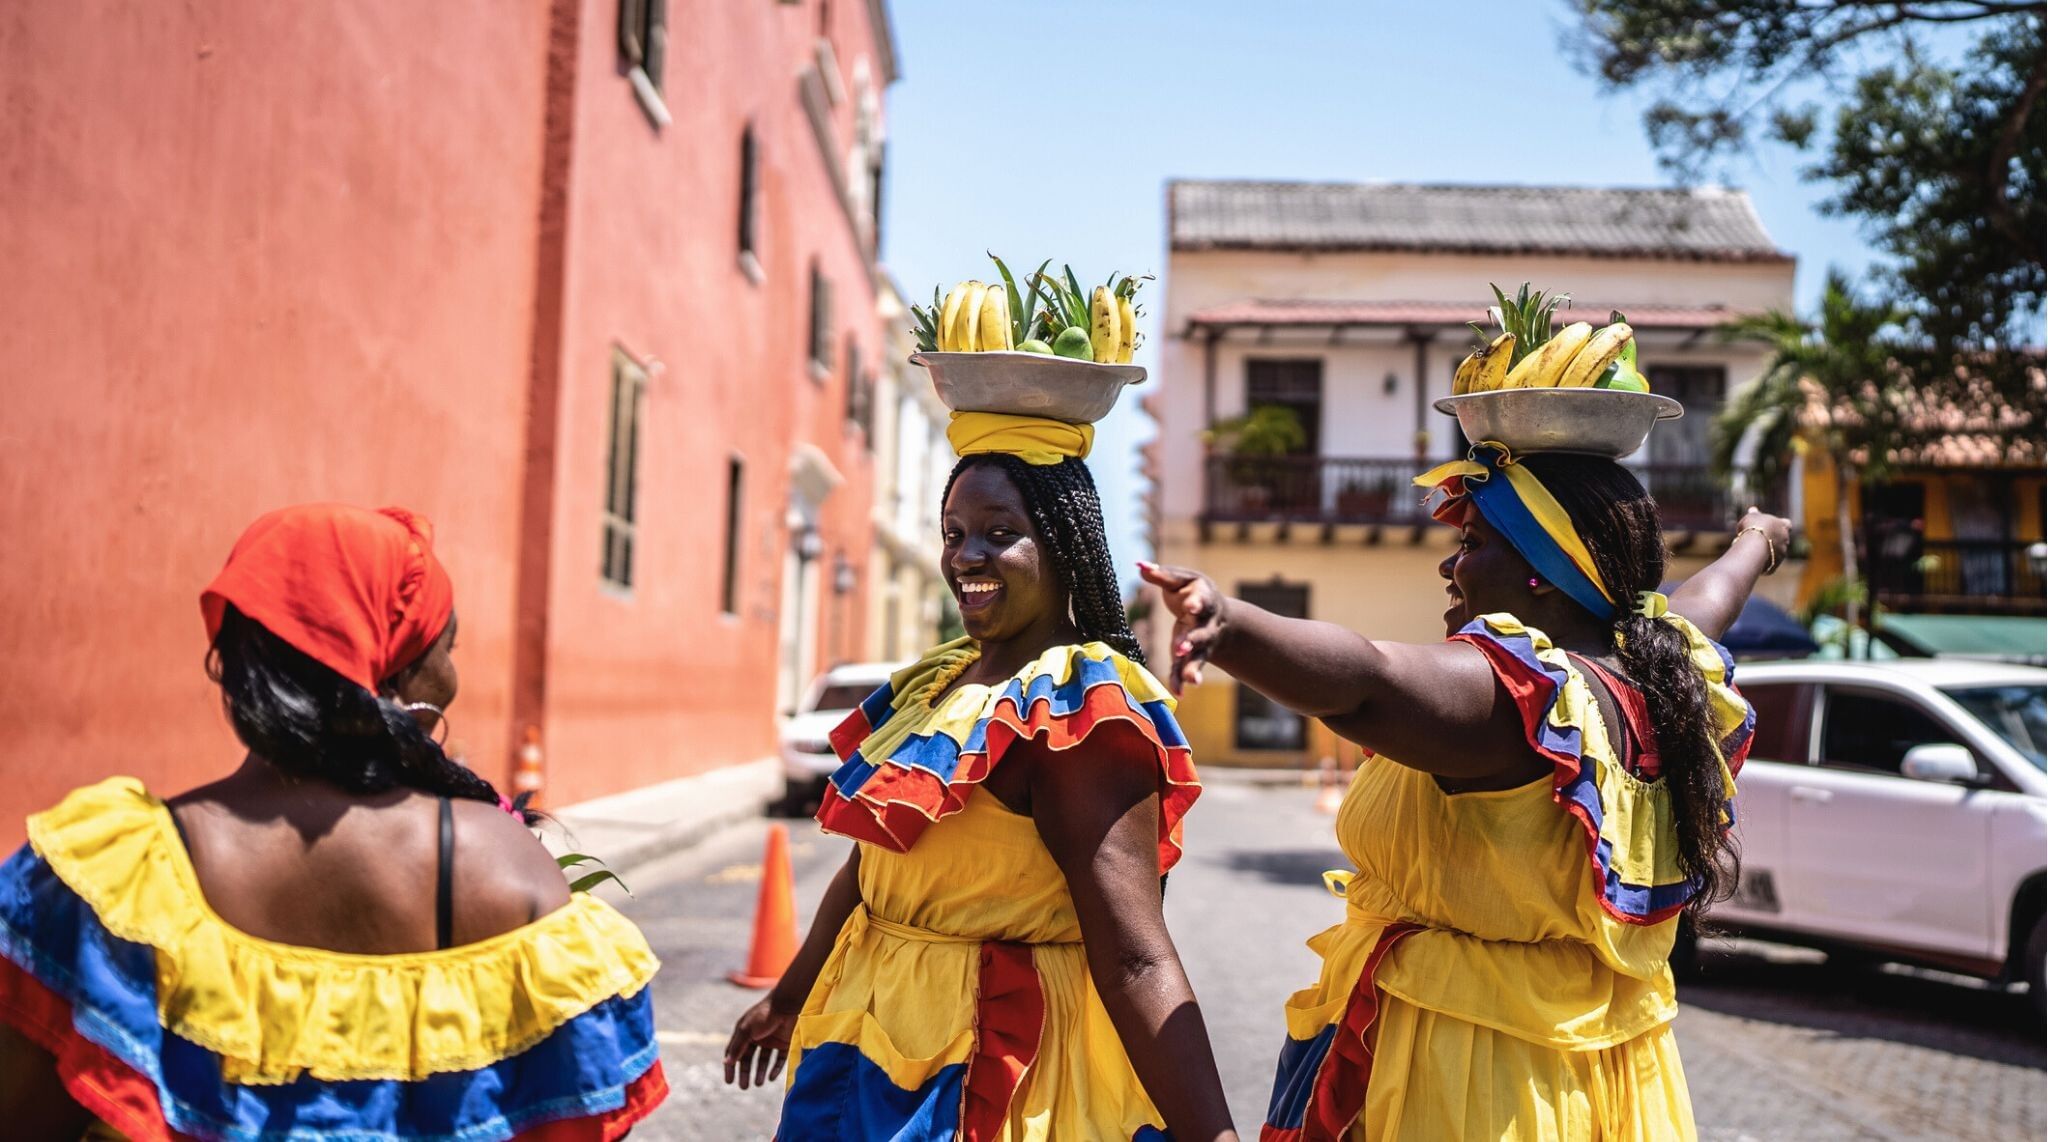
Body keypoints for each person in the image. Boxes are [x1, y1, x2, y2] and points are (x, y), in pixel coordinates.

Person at [1142, 448, 1793, 1140]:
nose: (1450, 566)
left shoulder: (1519, 700)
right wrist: (1757, 541)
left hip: (1472, 1083)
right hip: (1603, 1076)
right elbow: (1708, 598)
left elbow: (1366, 681)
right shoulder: (1654, 673)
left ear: (1546, 571)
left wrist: (1230, 623)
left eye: (1473, 543)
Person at [0, 504, 665, 1140]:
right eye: (449, 647)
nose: (454, 676)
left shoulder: (118, 882)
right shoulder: (513, 875)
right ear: (393, 668)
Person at [725, 413, 1239, 1141]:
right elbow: (870, 869)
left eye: (1000, 533)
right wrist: (789, 996)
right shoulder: (938, 682)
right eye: (954, 532)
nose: (967, 554)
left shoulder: (1075, 710)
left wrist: (1211, 1135)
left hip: (994, 1068)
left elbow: (1133, 956)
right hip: (865, 1049)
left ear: (1063, 545)